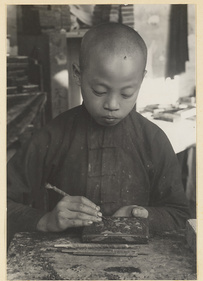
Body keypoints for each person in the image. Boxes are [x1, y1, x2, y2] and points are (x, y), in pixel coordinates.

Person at [7, 23, 190, 242]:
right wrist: (46, 220)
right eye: (99, 91)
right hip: (63, 261)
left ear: (141, 80)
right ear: (78, 75)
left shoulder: (153, 140)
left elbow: (180, 215)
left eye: (126, 94)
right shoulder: (53, 136)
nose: (112, 104)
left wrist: (145, 216)